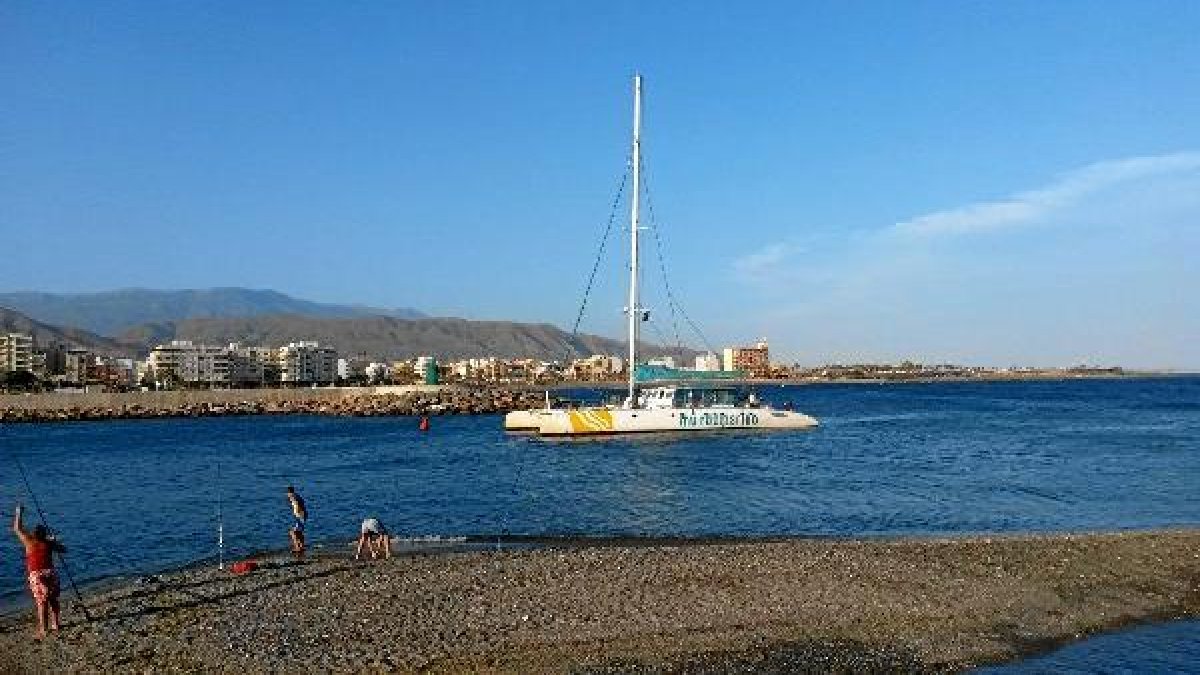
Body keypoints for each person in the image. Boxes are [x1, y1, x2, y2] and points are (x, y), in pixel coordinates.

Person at [11, 503, 63, 640]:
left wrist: (19, 512)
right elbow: (64, 550)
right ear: (44, 535)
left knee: (41, 603)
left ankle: (44, 630)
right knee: (53, 600)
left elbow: (17, 528)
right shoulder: (48, 543)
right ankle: (56, 624)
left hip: (37, 576)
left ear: (34, 534)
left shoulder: (29, 541)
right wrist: (54, 541)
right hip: (51, 574)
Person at [286, 486, 307, 560]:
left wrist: (298, 513)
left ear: (289, 493)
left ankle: (297, 548)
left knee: (292, 532)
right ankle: (301, 546)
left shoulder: (293, 497)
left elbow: (297, 504)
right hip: (301, 516)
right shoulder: (297, 496)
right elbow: (302, 504)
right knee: (299, 532)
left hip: (300, 517)